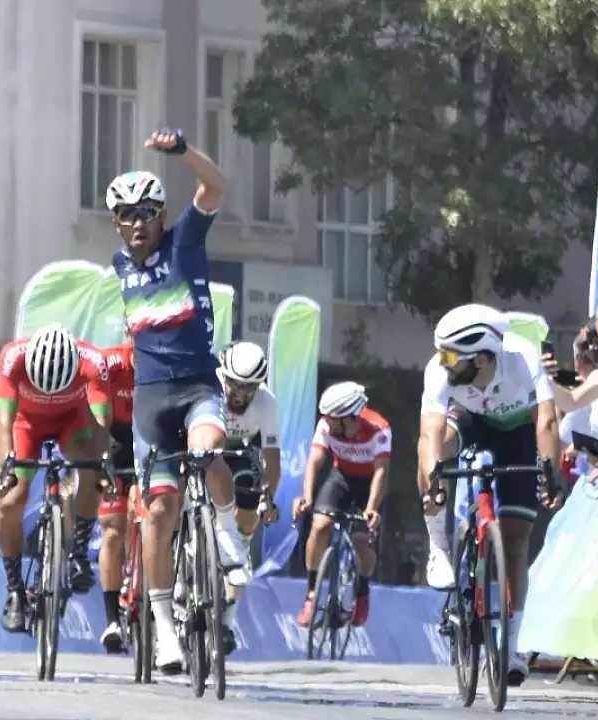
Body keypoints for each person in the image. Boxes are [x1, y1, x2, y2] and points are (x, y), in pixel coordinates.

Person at [106, 127, 239, 675]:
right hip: (151, 401)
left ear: (162, 217)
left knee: (209, 450)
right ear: (117, 224)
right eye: (127, 216)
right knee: (158, 512)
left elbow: (217, 186)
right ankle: (164, 629)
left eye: (148, 213)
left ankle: (228, 535)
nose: (139, 223)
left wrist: (183, 153)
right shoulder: (120, 265)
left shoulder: (184, 241)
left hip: (198, 385)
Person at [416, 303, 560, 687]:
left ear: (481, 357)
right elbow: (430, 432)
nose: (442, 362)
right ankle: (438, 545)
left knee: (516, 542)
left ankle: (510, 645)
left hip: (517, 431)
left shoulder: (522, 358)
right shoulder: (440, 371)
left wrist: (551, 473)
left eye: (451, 357)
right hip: (468, 421)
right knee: (433, 447)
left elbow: (546, 420)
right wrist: (434, 480)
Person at [0, 324, 111, 634]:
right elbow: (3, 423)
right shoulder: (12, 358)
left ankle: (79, 552)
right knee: (12, 500)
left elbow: (101, 423)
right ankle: (14, 590)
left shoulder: (93, 362)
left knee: (91, 469)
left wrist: (100, 464)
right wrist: (5, 469)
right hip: (26, 425)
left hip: (74, 422)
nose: (50, 394)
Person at [294, 382, 389, 629]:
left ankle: (362, 592)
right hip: (342, 479)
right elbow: (314, 462)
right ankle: (311, 595)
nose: (327, 423)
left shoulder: (378, 429)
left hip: (369, 484)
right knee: (319, 525)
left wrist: (371, 508)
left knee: (361, 540)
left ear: (350, 417)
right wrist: (307, 497)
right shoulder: (326, 425)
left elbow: (381, 471)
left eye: (333, 419)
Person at [215, 340, 282, 649]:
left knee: (250, 493)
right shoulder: (210, 386)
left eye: (248, 388)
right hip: (210, 445)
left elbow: (272, 461)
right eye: (233, 384)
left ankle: (228, 618)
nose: (238, 394)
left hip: (243, 451)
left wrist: (267, 499)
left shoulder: (267, 402)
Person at [97, 334, 137, 653]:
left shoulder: (166, 364)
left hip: (150, 439)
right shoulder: (111, 363)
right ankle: (112, 619)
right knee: (113, 527)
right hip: (114, 438)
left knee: (152, 519)